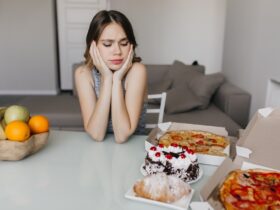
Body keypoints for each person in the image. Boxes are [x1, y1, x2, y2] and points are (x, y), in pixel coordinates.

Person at [75, 10, 147, 143]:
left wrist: (117, 79)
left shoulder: (137, 71)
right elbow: (96, 134)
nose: (117, 51)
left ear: (131, 45)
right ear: (93, 46)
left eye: (124, 43)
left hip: (133, 149)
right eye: (108, 44)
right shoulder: (83, 74)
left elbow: (122, 136)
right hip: (99, 152)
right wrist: (107, 79)